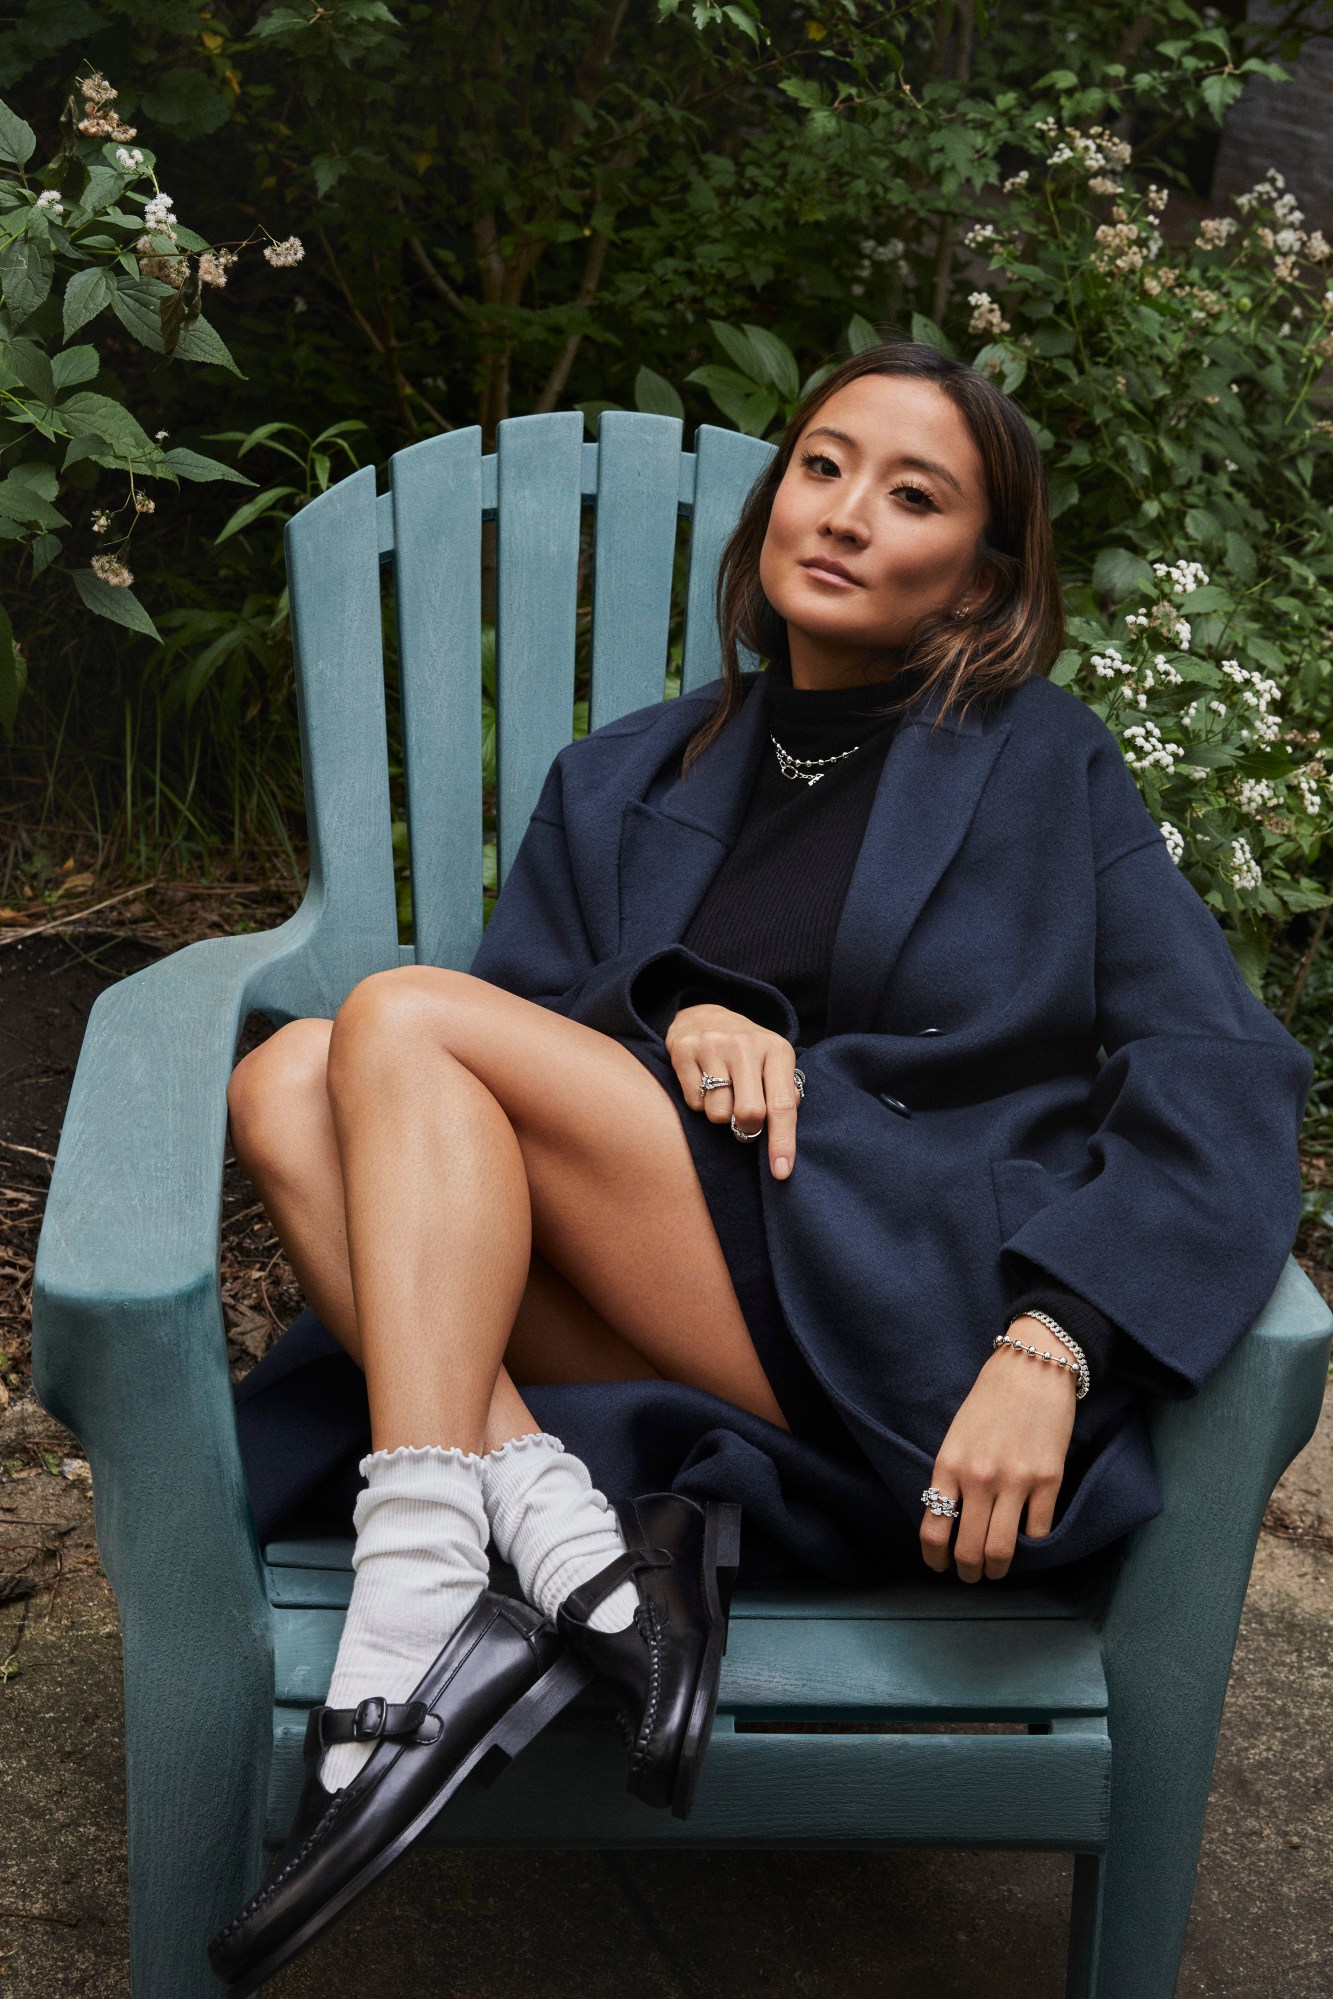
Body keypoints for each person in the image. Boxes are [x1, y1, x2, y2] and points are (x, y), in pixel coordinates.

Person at [208, 340, 1312, 1990]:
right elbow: (467, 1068)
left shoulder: (1040, 763)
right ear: (771, 494)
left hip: (900, 1323)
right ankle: (556, 1545)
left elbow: (1220, 1068)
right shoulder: (622, 779)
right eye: (822, 465)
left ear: (978, 579)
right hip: (656, 1308)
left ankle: (425, 1576)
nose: (849, 513)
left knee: (378, 1024)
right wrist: (680, 1018)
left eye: (913, 494)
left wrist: (1056, 1338)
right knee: (298, 1074)